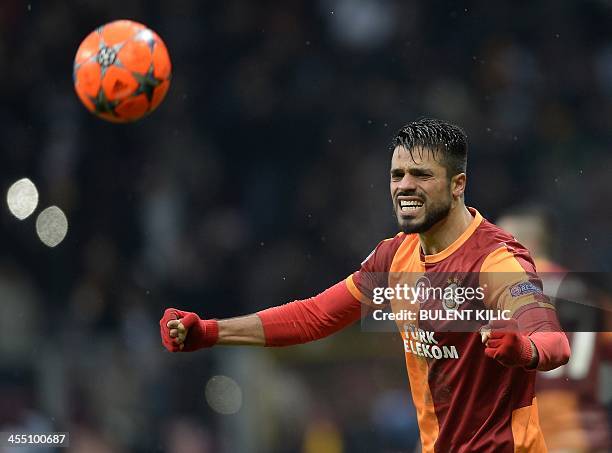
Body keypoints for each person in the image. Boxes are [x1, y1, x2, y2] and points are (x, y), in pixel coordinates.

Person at [160, 118, 570, 452]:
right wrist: (211, 332)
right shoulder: (394, 257)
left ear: (457, 185)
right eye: (397, 174)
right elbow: (314, 316)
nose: (404, 186)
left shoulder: (496, 260)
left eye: (421, 175)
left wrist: (524, 349)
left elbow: (555, 343)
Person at [498, 207, 612, 452]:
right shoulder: (590, 296)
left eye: (496, 243)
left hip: (533, 441)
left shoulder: (503, 300)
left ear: (521, 244)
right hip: (591, 438)